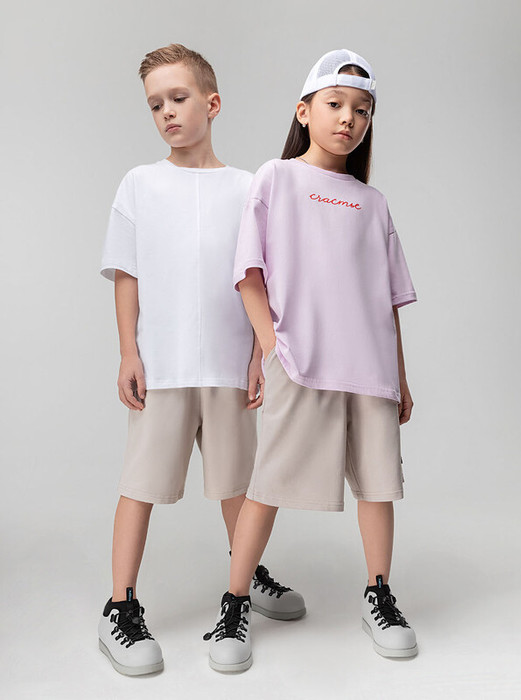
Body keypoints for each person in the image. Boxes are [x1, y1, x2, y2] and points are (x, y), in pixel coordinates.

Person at [205, 49, 419, 672]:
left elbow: (388, 300)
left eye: (362, 110)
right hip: (301, 362)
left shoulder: (373, 203)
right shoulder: (275, 179)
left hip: (370, 369)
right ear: (304, 111)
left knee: (379, 487)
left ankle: (379, 595)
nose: (349, 119)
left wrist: (401, 378)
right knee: (267, 485)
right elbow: (248, 274)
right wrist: (274, 349)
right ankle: (234, 603)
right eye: (335, 105)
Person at [98, 43, 305, 678]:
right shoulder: (139, 184)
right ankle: (119, 605)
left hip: (227, 368)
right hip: (161, 369)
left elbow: (258, 278)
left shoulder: (248, 188)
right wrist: (129, 351)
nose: (166, 111)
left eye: (178, 98)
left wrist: (257, 354)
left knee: (240, 486)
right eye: (154, 104)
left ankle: (246, 577)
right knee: (140, 485)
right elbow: (126, 274)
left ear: (212, 104)